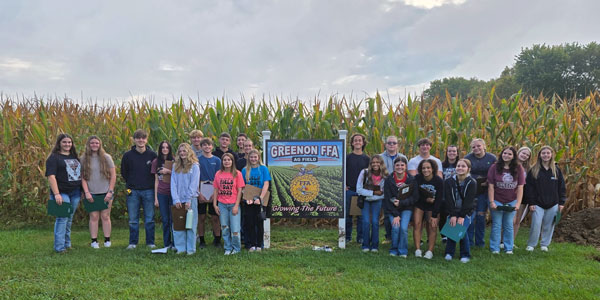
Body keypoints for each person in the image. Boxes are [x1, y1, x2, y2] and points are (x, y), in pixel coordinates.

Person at [121, 129, 157, 249]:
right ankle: (133, 243)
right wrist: (132, 183)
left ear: (146, 140)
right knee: (133, 219)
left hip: (149, 190)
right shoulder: (127, 156)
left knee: (150, 219)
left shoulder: (152, 155)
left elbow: (156, 173)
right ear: (134, 139)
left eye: (143, 138)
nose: (141, 140)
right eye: (138, 138)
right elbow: (124, 173)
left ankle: (150, 242)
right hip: (132, 190)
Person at [525, 146, 566, 252]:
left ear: (551, 155)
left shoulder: (556, 170)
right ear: (539, 155)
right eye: (543, 153)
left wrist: (561, 202)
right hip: (538, 203)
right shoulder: (534, 170)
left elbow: (561, 187)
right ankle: (531, 244)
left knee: (549, 225)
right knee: (536, 224)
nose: (546, 155)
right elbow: (529, 188)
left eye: (548, 153)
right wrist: (531, 202)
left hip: (553, 203)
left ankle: (544, 244)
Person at [46, 133, 82, 253]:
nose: (67, 144)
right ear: (59, 143)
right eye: (64, 142)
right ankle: (59, 247)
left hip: (75, 192)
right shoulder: (54, 157)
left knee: (69, 219)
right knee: (62, 218)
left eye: (69, 142)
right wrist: (56, 194)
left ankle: (67, 244)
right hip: (61, 193)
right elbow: (51, 176)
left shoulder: (74, 157)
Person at [487, 146, 525, 254]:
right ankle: (495, 247)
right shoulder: (494, 167)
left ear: (513, 156)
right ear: (501, 154)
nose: (506, 156)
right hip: (497, 200)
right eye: (504, 153)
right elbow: (491, 186)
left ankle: (508, 248)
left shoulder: (518, 168)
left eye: (509, 154)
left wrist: (517, 203)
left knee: (508, 224)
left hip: (511, 200)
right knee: (497, 224)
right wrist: (492, 202)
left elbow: (520, 187)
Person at [80, 136, 116, 249]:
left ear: (100, 144)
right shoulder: (83, 158)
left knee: (105, 216)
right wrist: (86, 192)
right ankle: (94, 241)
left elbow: (113, 175)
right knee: (94, 216)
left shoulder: (106, 157)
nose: (94, 145)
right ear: (88, 144)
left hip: (106, 192)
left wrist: (110, 191)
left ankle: (107, 240)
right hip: (91, 192)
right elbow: (82, 177)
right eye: (92, 143)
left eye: (96, 143)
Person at [383, 156, 418, 257]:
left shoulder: (411, 179)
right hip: (392, 209)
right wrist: (395, 214)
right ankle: (394, 249)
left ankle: (403, 250)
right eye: (397, 165)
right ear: (394, 166)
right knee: (395, 227)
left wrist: (402, 203)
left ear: (406, 166)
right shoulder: (389, 180)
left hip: (406, 208)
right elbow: (388, 198)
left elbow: (414, 197)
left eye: (402, 165)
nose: (400, 167)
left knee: (403, 228)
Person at [443, 159, 477, 263]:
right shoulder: (449, 181)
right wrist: (453, 214)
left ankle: (465, 254)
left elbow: (469, 201)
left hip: (466, 211)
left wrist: (462, 216)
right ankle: (449, 252)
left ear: (468, 169)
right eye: (458, 166)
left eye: (463, 166)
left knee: (462, 231)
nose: (460, 168)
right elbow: (447, 199)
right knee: (452, 228)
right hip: (452, 210)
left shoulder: (472, 182)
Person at [465, 138, 496, 247]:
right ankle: (469, 242)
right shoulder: (467, 158)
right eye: (473, 147)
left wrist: (488, 181)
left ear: (484, 147)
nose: (476, 148)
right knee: (470, 217)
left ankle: (480, 242)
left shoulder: (491, 158)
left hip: (485, 192)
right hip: (471, 191)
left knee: (481, 217)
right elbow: (464, 172)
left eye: (478, 146)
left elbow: (496, 173)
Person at [171, 143, 201, 255]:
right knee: (179, 225)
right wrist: (176, 199)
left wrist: (188, 199)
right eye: (180, 151)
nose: (182, 153)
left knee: (191, 225)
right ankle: (180, 248)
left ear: (189, 152)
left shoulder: (195, 166)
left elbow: (194, 184)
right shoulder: (175, 166)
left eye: (185, 151)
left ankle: (190, 249)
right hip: (178, 199)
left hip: (191, 199)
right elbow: (173, 183)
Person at [213, 153, 245, 255]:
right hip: (222, 204)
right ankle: (227, 247)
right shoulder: (218, 174)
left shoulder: (237, 173)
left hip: (233, 204)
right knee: (225, 227)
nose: (227, 162)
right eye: (225, 160)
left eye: (229, 160)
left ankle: (236, 248)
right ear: (222, 162)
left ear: (232, 161)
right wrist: (215, 204)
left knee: (235, 229)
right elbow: (216, 190)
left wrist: (236, 205)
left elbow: (240, 191)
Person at [413, 159, 444, 259]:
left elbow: (439, 199)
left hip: (433, 206)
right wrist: (426, 199)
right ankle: (417, 249)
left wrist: (435, 215)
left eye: (428, 168)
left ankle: (430, 251)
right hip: (420, 204)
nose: (426, 170)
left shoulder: (438, 181)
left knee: (432, 226)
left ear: (433, 168)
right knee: (417, 225)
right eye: (423, 168)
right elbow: (415, 194)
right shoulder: (417, 178)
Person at [357, 154, 388, 252]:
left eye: (377, 162)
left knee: (375, 222)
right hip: (365, 200)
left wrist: (375, 195)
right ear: (370, 164)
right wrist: (374, 192)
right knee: (366, 222)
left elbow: (383, 193)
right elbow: (359, 189)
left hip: (377, 201)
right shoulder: (364, 172)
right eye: (373, 162)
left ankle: (375, 245)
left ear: (381, 163)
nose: (375, 164)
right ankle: (365, 245)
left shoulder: (385, 175)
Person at [241, 149, 271, 251]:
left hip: (260, 199)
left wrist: (260, 198)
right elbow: (243, 186)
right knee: (250, 222)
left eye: (255, 157)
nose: (253, 159)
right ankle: (251, 244)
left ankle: (259, 244)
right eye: (251, 157)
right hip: (249, 200)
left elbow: (266, 184)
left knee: (259, 222)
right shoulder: (245, 170)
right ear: (248, 158)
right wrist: (247, 198)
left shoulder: (263, 169)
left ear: (258, 158)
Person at [379, 136, 407, 242]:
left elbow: (405, 172)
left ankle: (398, 234)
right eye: (389, 143)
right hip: (384, 189)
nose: (391, 145)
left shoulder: (402, 157)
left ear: (397, 145)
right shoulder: (380, 157)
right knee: (387, 213)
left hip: (400, 190)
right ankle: (389, 236)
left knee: (398, 211)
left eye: (394, 143)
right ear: (385, 144)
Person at [197, 138, 222, 248]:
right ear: (201, 147)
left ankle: (217, 240)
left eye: (209, 145)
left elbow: (220, 177)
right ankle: (202, 240)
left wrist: (215, 195)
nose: (207, 147)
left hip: (214, 190)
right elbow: (195, 178)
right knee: (201, 217)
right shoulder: (197, 160)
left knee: (215, 217)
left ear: (212, 146)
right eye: (205, 145)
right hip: (201, 189)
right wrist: (198, 193)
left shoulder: (217, 160)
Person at [345, 133, 369, 244]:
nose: (358, 142)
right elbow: (342, 172)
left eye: (360, 140)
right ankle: (347, 237)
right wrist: (343, 185)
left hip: (361, 191)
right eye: (355, 140)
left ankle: (360, 238)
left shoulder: (367, 159)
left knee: (360, 216)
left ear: (363, 143)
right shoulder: (348, 158)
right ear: (352, 143)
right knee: (347, 215)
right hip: (349, 190)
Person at [151, 141, 174, 249]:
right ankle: (167, 243)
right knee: (165, 220)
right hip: (162, 193)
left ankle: (175, 243)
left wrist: (168, 171)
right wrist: (156, 198)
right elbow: (156, 180)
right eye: (162, 147)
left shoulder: (175, 160)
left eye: (167, 147)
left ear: (169, 149)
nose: (165, 149)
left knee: (174, 219)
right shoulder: (156, 161)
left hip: (174, 193)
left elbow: (180, 176)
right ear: (160, 149)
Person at [440, 145, 460, 242]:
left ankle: (453, 235)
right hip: (444, 193)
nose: (452, 153)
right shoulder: (442, 165)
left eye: (454, 151)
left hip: (456, 192)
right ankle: (444, 236)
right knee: (443, 214)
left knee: (453, 213)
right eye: (449, 151)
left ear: (457, 153)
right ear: (446, 153)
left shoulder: (460, 165)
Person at [513, 146, 532, 240]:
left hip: (522, 196)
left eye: (527, 155)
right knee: (508, 220)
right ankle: (501, 240)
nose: (525, 156)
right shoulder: (510, 165)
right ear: (518, 153)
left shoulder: (528, 169)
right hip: (510, 195)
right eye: (523, 153)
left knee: (517, 220)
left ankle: (511, 241)